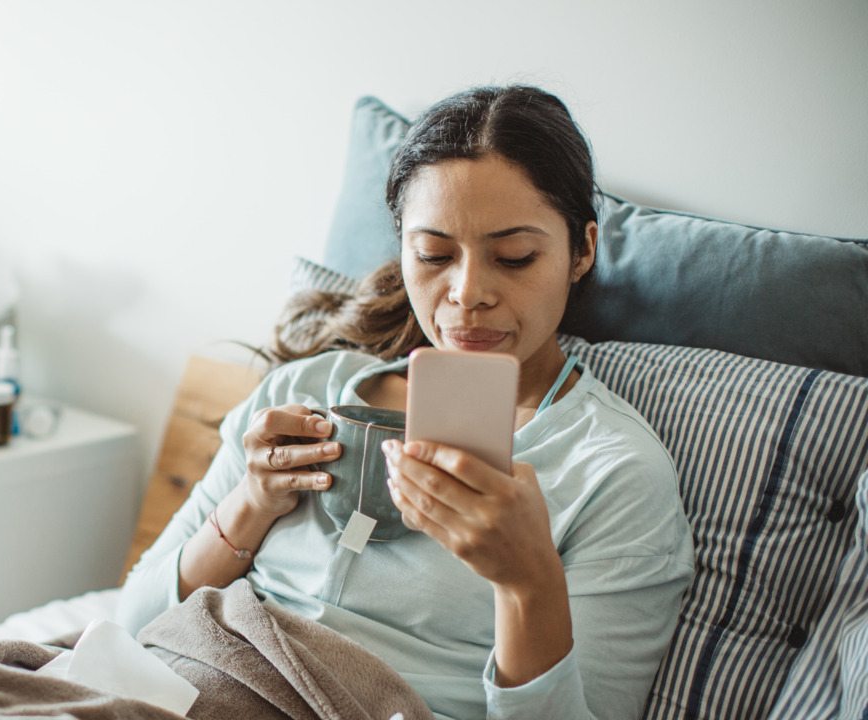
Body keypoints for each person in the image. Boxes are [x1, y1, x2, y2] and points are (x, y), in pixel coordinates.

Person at [117, 85, 695, 720]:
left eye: (514, 257)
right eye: (434, 255)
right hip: (184, 684)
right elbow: (133, 623)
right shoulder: (305, 391)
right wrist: (251, 504)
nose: (468, 293)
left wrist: (527, 583)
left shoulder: (612, 473)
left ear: (581, 249)